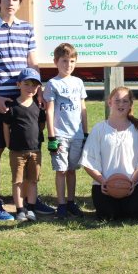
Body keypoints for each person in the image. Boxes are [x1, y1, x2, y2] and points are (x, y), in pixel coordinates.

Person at [0, 0, 54, 220]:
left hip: (25, 100)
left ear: (19, 4)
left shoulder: (27, 29)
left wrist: (37, 91)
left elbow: (32, 62)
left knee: (29, 149)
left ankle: (31, 201)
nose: (10, 3)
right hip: (0, 99)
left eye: (15, 0)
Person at [81, 87, 138, 220]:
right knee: (108, 216)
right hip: (104, 186)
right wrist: (103, 182)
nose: (121, 104)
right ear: (109, 102)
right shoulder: (99, 129)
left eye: (125, 101)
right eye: (117, 100)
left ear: (130, 104)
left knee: (133, 214)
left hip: (133, 185)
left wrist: (132, 182)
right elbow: (89, 163)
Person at [44, 43, 88, 219]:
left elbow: (83, 109)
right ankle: (61, 204)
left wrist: (85, 133)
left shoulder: (78, 82)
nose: (68, 65)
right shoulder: (53, 84)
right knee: (61, 170)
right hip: (60, 134)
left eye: (71, 61)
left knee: (72, 170)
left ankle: (71, 201)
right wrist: (51, 136)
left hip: (76, 135)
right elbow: (49, 110)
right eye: (64, 61)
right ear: (56, 62)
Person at [3, 68, 46, 221]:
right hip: (17, 151)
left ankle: (31, 209)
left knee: (33, 180)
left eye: (34, 85)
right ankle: (20, 209)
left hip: (35, 151)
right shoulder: (13, 107)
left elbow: (41, 125)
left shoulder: (38, 108)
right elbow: (6, 126)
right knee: (18, 181)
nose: (30, 88)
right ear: (18, 84)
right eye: (26, 84)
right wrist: (8, 143)